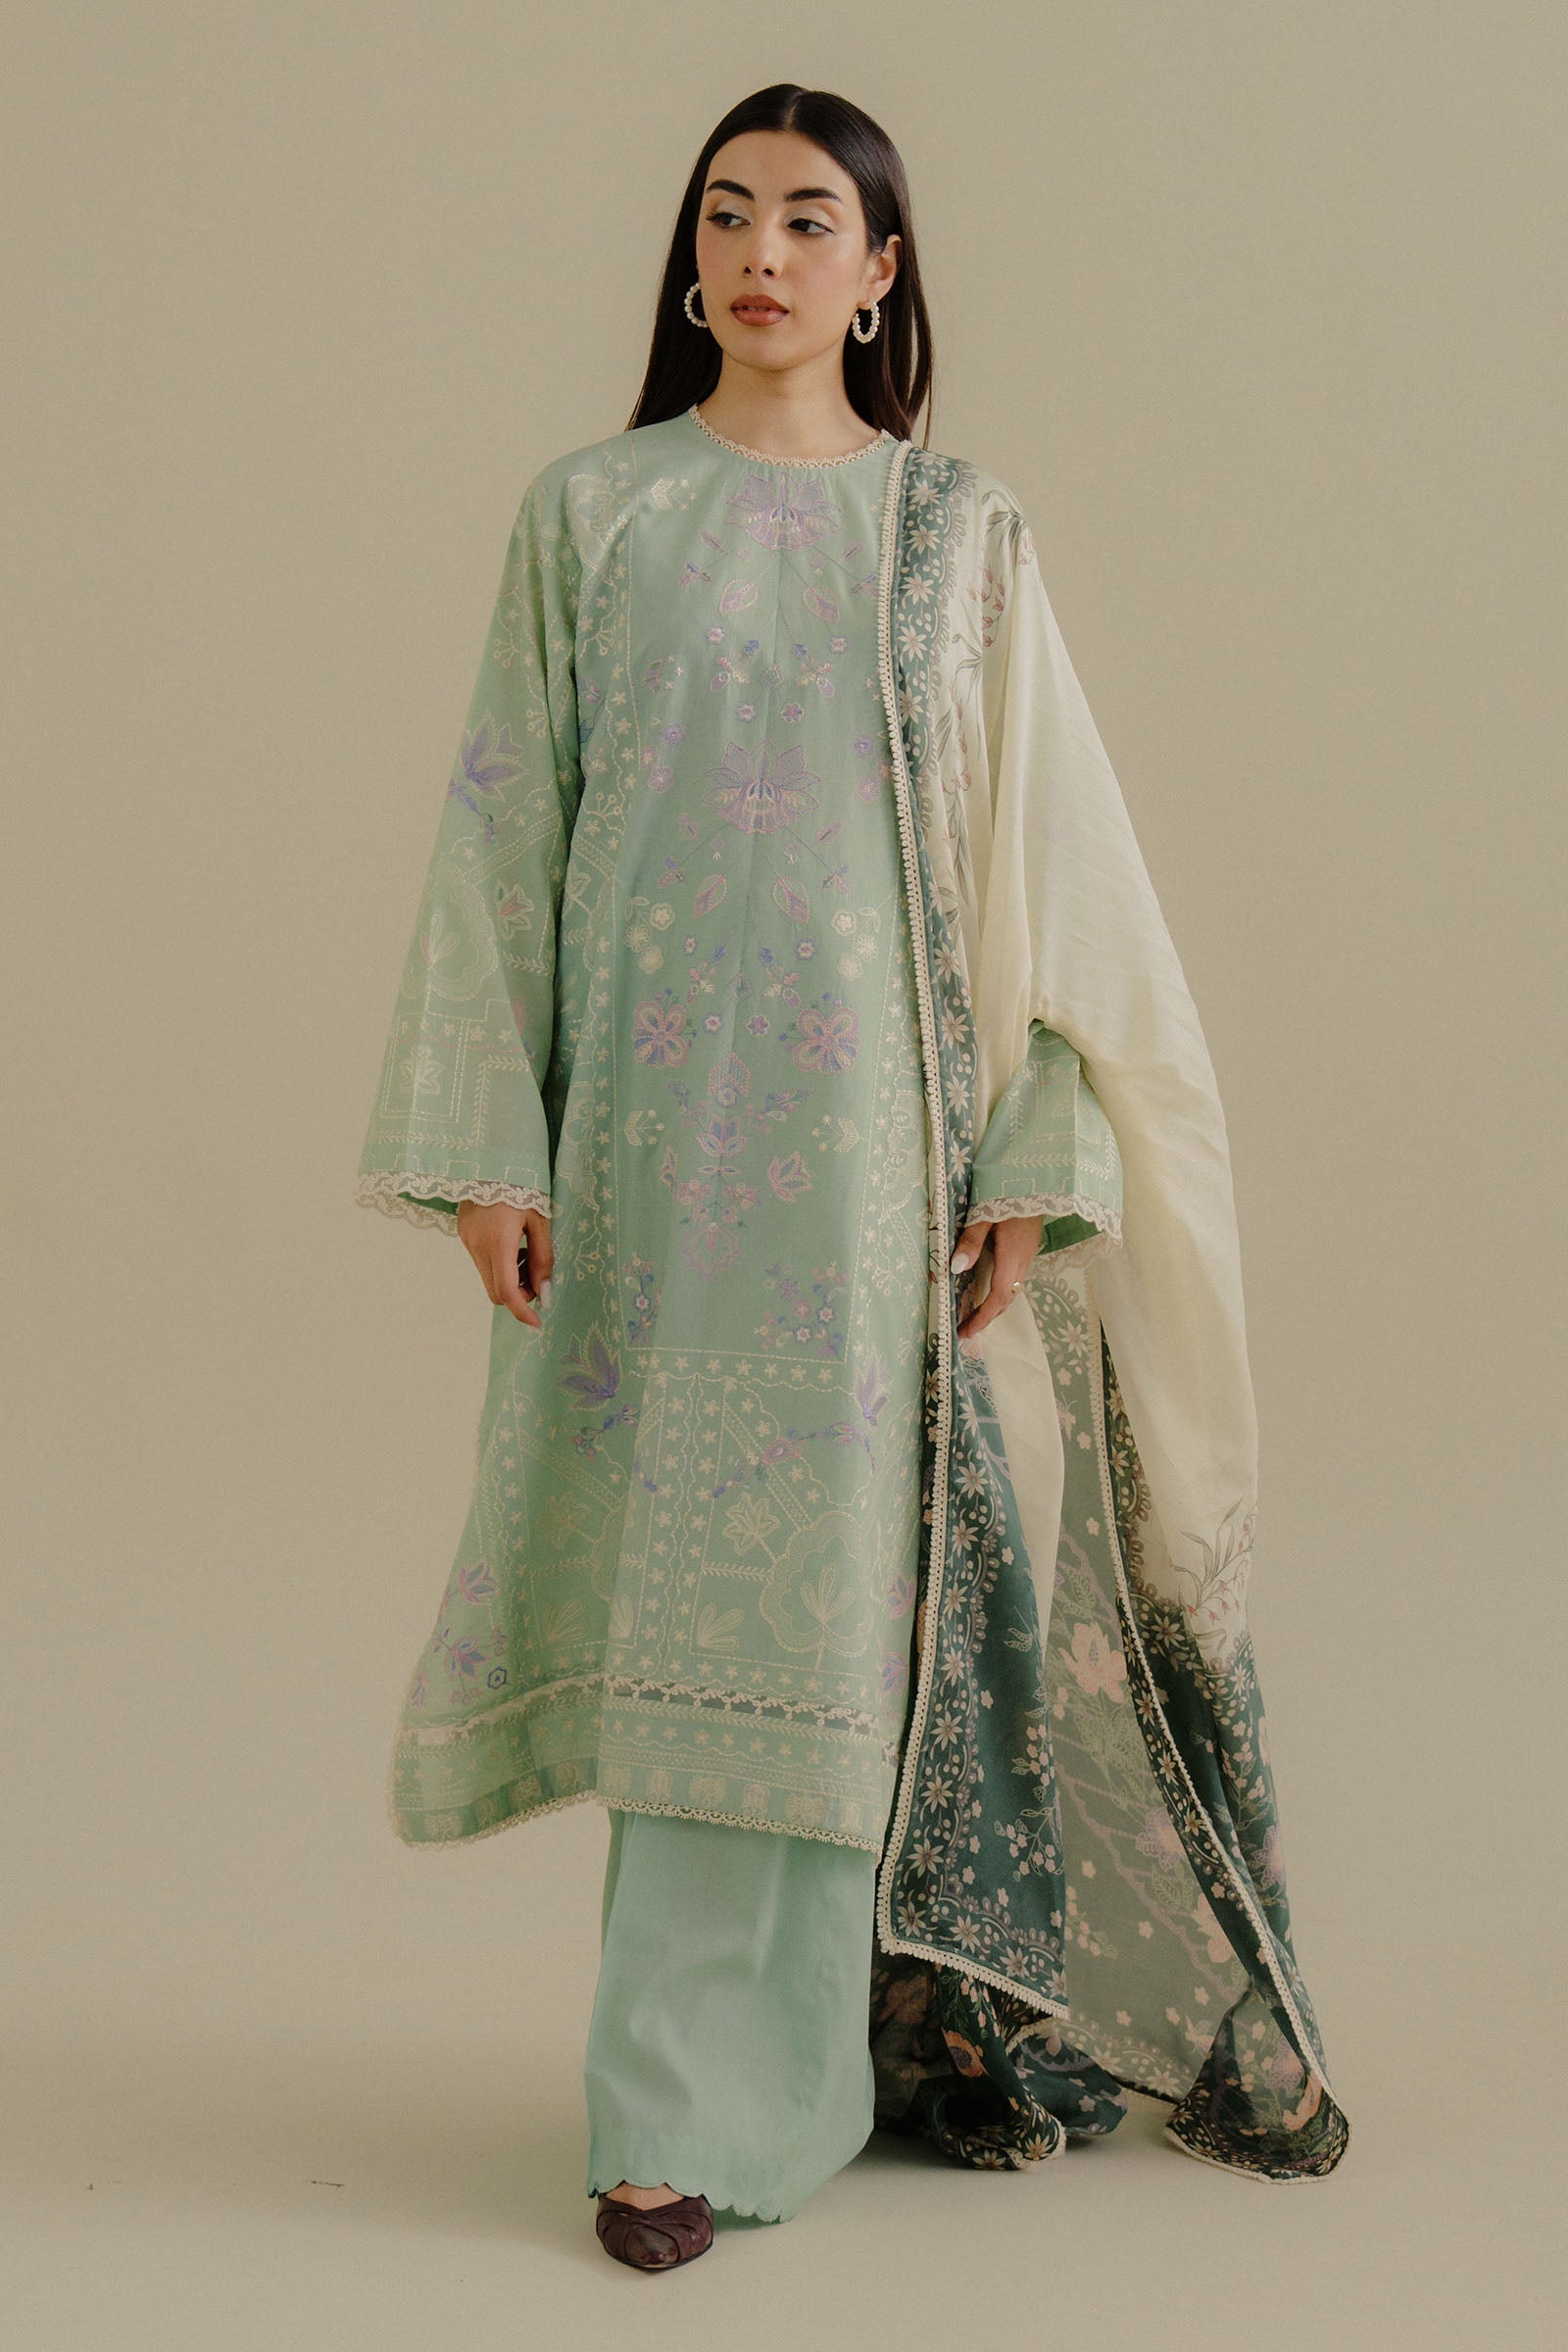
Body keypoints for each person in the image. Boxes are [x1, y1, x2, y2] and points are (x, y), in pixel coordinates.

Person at [353, 82, 1349, 2273]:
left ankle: (741, 2098)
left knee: (817, 1620)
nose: (762, 254)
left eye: (812, 220)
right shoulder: (594, 512)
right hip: (645, 1157)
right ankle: (682, 2097)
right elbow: (505, 825)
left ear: (881, 273)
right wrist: (488, 1146)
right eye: (728, 215)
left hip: (865, 1173)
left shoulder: (956, 535)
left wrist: (1031, 1149)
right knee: (678, 1613)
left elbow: (1046, 872)